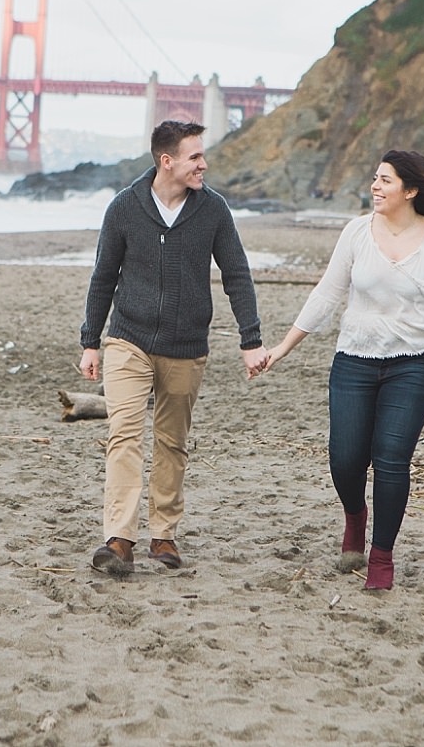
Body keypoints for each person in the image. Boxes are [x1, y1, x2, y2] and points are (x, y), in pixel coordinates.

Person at [263, 150, 424, 591]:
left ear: (411, 190)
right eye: (375, 178)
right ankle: (355, 517)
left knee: (390, 458)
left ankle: (382, 557)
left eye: (385, 180)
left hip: (417, 364)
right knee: (345, 459)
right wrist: (283, 347)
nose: (375, 187)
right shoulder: (356, 233)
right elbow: (327, 294)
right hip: (355, 359)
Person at [80, 119, 270, 575]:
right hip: (129, 339)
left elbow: (236, 274)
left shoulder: (213, 211)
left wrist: (251, 339)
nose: (204, 164)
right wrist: (91, 342)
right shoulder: (124, 208)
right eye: (195, 157)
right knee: (124, 434)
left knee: (171, 443)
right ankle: (119, 539)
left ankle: (163, 534)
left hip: (187, 345)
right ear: (167, 161)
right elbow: (103, 277)